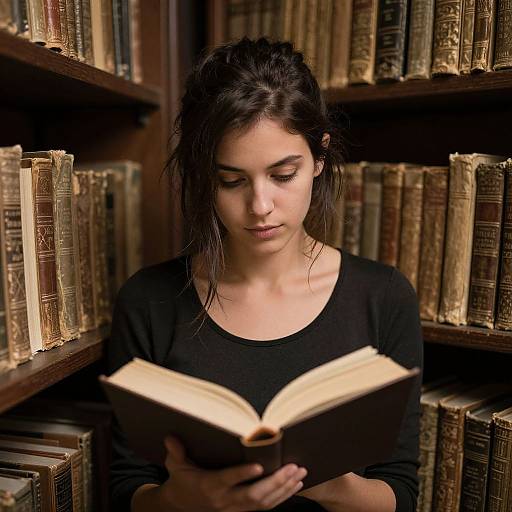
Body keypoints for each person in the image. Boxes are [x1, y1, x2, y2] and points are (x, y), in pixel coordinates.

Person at [106, 37, 423, 512]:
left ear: (319, 159)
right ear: (203, 176)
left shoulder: (383, 297)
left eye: (283, 174)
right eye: (230, 180)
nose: (259, 206)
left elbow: (400, 492)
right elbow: (127, 489)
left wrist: (331, 486)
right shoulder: (148, 301)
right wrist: (183, 501)